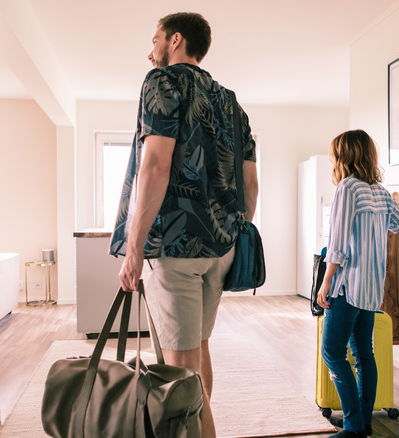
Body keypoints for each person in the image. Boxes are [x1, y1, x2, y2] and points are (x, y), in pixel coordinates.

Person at [109, 12, 258, 438]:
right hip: (221, 248)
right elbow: (251, 182)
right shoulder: (232, 102)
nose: (150, 49)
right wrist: (235, 231)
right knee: (197, 349)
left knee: (178, 368)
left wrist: (134, 245)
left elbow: (155, 164)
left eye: (154, 39)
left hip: (174, 247)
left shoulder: (163, 83)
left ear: (175, 40)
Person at [316, 130, 399, 438]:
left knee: (332, 352)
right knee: (364, 355)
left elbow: (338, 243)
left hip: (346, 286)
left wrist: (326, 282)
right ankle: (364, 423)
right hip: (370, 289)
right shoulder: (379, 192)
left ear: (344, 157)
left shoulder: (348, 188)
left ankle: (355, 427)